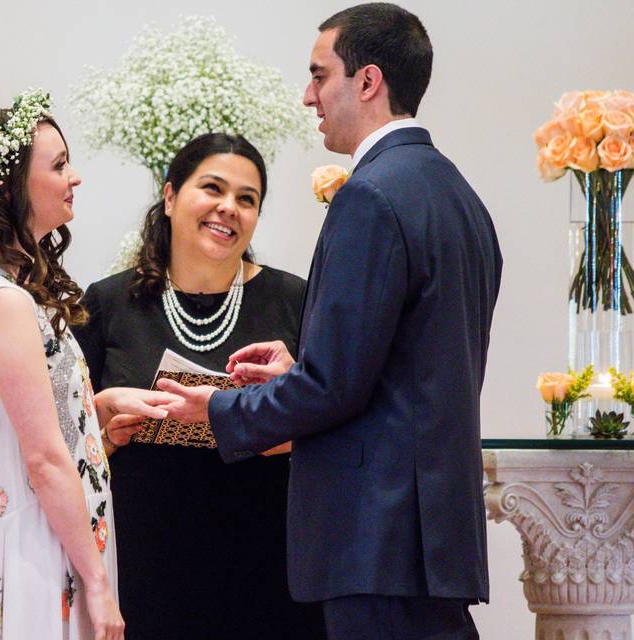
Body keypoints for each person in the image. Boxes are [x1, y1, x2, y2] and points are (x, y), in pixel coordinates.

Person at [157, 5, 502, 638]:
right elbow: (409, 369)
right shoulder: (461, 198)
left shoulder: (369, 196)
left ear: (367, 81)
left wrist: (218, 410)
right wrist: (301, 364)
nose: (309, 96)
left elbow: (334, 387)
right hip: (434, 543)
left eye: (320, 76)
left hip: (376, 542)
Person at [0, 90, 177, 640]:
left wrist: (98, 407)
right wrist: (98, 584)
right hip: (39, 551)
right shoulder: (4, 302)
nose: (74, 177)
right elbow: (44, 459)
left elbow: (25, 422)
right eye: (58, 165)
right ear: (9, 188)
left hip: (40, 540)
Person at [72, 133, 323, 639]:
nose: (228, 208)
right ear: (169, 198)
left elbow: (338, 422)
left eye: (247, 199)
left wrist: (293, 414)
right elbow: (58, 438)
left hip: (268, 568)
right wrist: (102, 418)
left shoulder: (296, 300)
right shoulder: (108, 303)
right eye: (213, 188)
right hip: (144, 569)